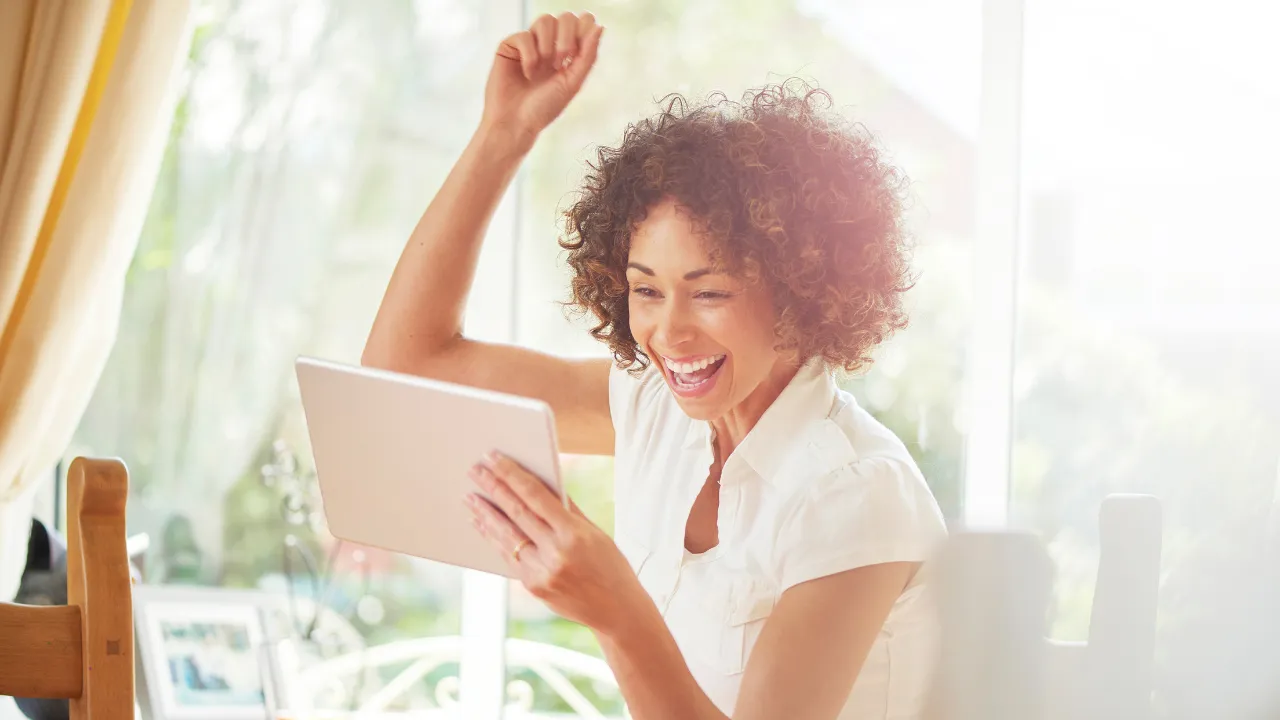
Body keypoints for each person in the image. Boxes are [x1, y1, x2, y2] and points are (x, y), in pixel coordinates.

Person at [362, 11, 946, 719]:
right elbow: (403, 372)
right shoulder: (653, 409)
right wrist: (503, 133)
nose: (667, 332)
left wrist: (616, 612)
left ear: (800, 288)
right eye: (645, 289)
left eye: (709, 292)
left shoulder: (853, 494)